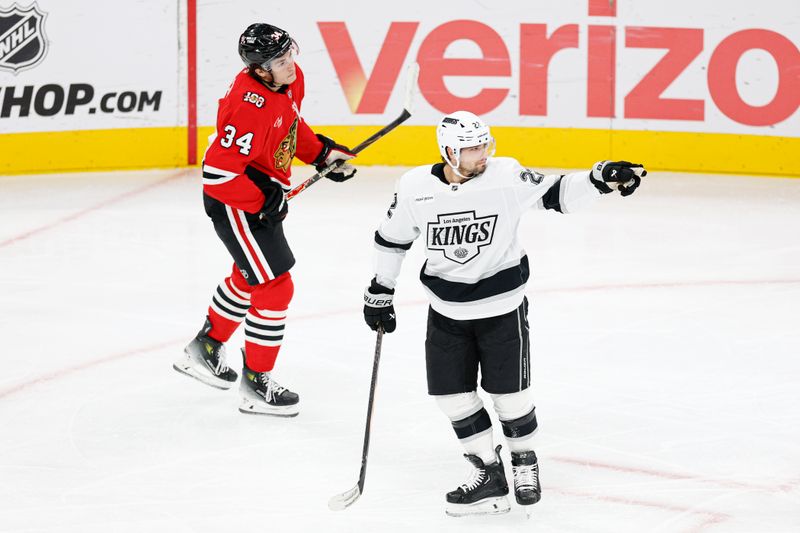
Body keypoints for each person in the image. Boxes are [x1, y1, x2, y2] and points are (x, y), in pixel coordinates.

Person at [362, 110, 646, 516]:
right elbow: (391, 240)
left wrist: (601, 178)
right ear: (448, 151)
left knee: (510, 395)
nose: (482, 154)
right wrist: (380, 290)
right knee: (450, 396)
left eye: (484, 145)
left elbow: (556, 193)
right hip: (446, 311)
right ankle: (489, 473)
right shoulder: (414, 188)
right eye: (471, 148)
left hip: (501, 308)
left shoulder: (505, 175)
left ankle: (524, 461)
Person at [173, 23, 357, 417]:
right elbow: (218, 176)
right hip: (235, 199)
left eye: (291, 54)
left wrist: (322, 155)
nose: (291, 65)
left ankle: (203, 348)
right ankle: (256, 383)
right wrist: (261, 202)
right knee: (274, 285)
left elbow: (289, 127)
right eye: (280, 61)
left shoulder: (288, 81)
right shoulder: (246, 105)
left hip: (257, 193)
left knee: (251, 274)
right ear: (259, 69)